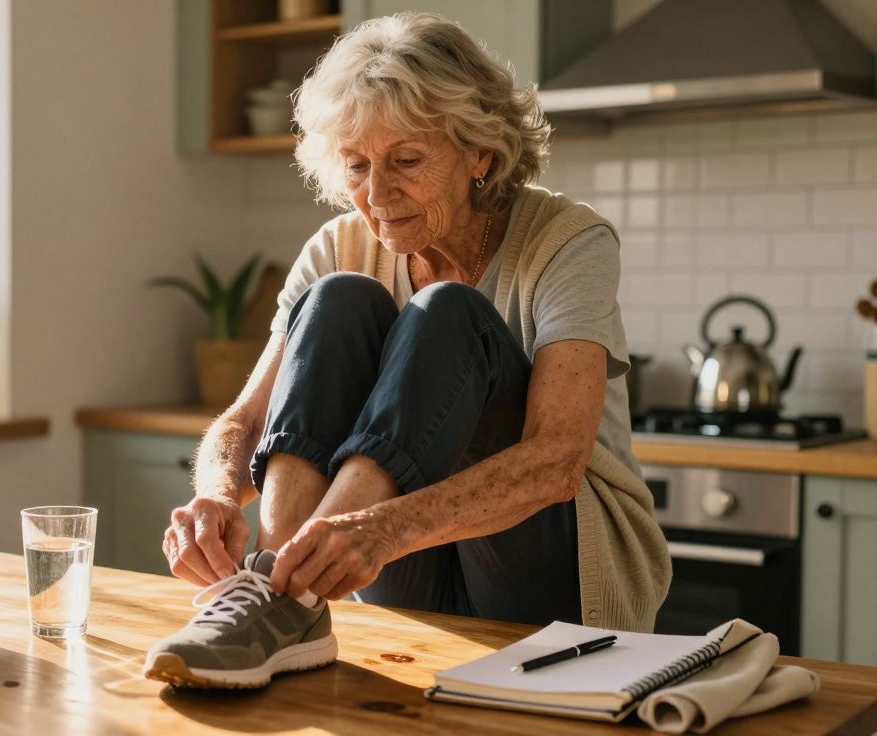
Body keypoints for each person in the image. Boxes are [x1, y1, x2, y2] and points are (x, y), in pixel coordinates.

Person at [143, 11, 670, 690]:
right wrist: (214, 496)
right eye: (358, 166)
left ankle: (276, 595)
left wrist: (379, 530)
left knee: (448, 313)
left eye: (408, 162)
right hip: (406, 574)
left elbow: (557, 462)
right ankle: (282, 595)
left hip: (555, 579)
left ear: (481, 152)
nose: (377, 194)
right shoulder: (338, 247)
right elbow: (245, 422)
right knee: (339, 299)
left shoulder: (566, 240)